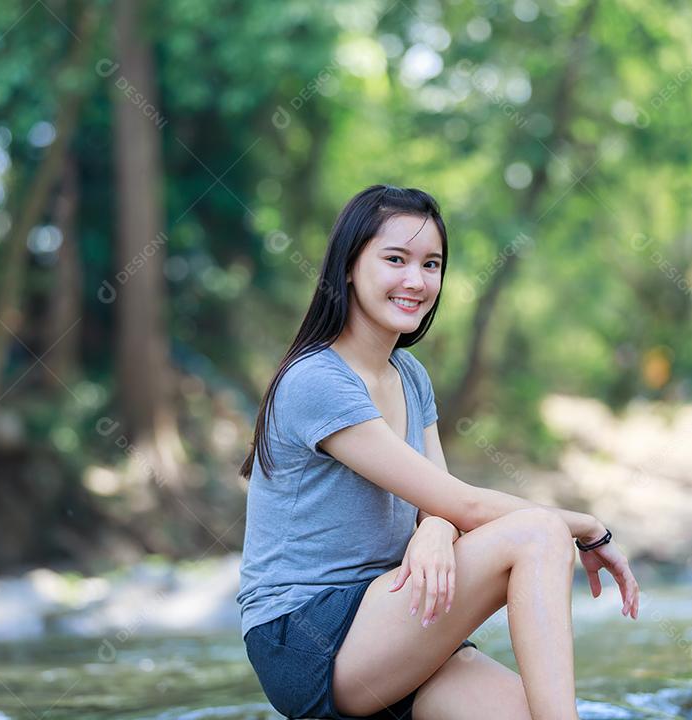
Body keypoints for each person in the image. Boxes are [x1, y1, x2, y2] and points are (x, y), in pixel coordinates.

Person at [236, 184, 640, 720]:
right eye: (395, 259)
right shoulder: (317, 381)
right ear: (349, 267)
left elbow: (441, 503)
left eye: (432, 264)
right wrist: (586, 526)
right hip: (309, 637)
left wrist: (431, 529)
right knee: (541, 533)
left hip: (398, 610)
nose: (416, 280)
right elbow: (464, 505)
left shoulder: (410, 376)